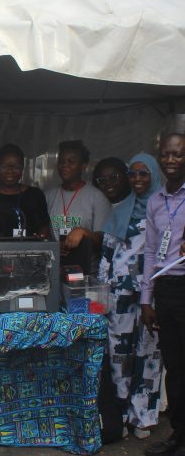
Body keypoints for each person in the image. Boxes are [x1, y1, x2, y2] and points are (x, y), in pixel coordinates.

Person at [98, 153, 163, 439]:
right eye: (133, 173)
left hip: (153, 294)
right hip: (119, 294)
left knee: (149, 353)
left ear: (154, 176)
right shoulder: (120, 211)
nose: (137, 179)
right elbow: (106, 256)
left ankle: (143, 416)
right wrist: (100, 297)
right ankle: (120, 415)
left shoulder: (164, 210)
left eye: (143, 173)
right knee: (119, 353)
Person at [140, 133, 185, 456]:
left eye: (178, 155)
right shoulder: (155, 200)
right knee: (175, 368)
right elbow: (151, 251)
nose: (171, 160)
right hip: (165, 290)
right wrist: (147, 299)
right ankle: (178, 435)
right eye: (166, 155)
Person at [45, 140, 111, 272]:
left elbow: (104, 240)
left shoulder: (97, 197)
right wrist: (54, 246)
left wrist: (83, 232)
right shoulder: (48, 196)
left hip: (86, 273)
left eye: (71, 162)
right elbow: (43, 235)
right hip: (54, 270)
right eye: (61, 161)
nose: (65, 165)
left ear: (83, 166)